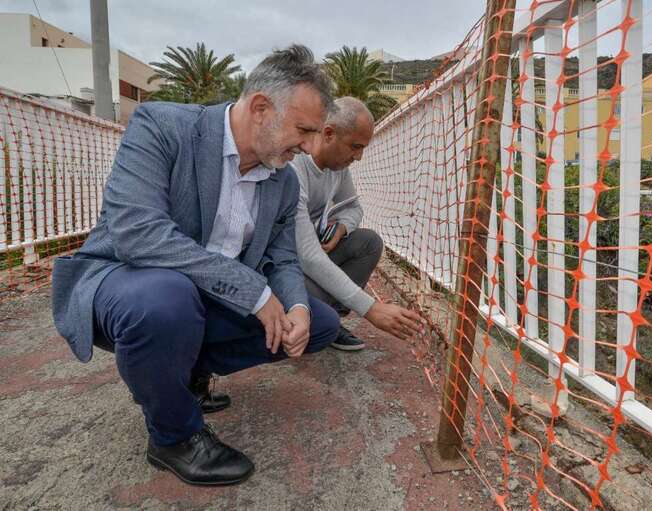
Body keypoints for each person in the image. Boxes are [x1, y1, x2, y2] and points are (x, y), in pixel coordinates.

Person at [51, 45, 339, 486]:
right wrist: (252, 290)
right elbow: (137, 233)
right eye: (303, 130)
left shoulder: (281, 180)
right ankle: (173, 436)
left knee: (319, 323)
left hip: (204, 300)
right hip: (127, 282)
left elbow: (282, 256)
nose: (309, 147)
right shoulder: (162, 126)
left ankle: (182, 375)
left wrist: (295, 306)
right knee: (168, 300)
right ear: (260, 107)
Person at [292, 96, 423, 351]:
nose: (359, 157)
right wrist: (370, 308)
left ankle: (328, 319)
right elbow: (306, 255)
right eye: (355, 146)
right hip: (286, 268)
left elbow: (353, 207)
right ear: (328, 133)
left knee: (369, 242)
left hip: (309, 257)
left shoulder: (337, 168)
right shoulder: (295, 168)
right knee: (317, 296)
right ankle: (317, 321)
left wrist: (340, 229)